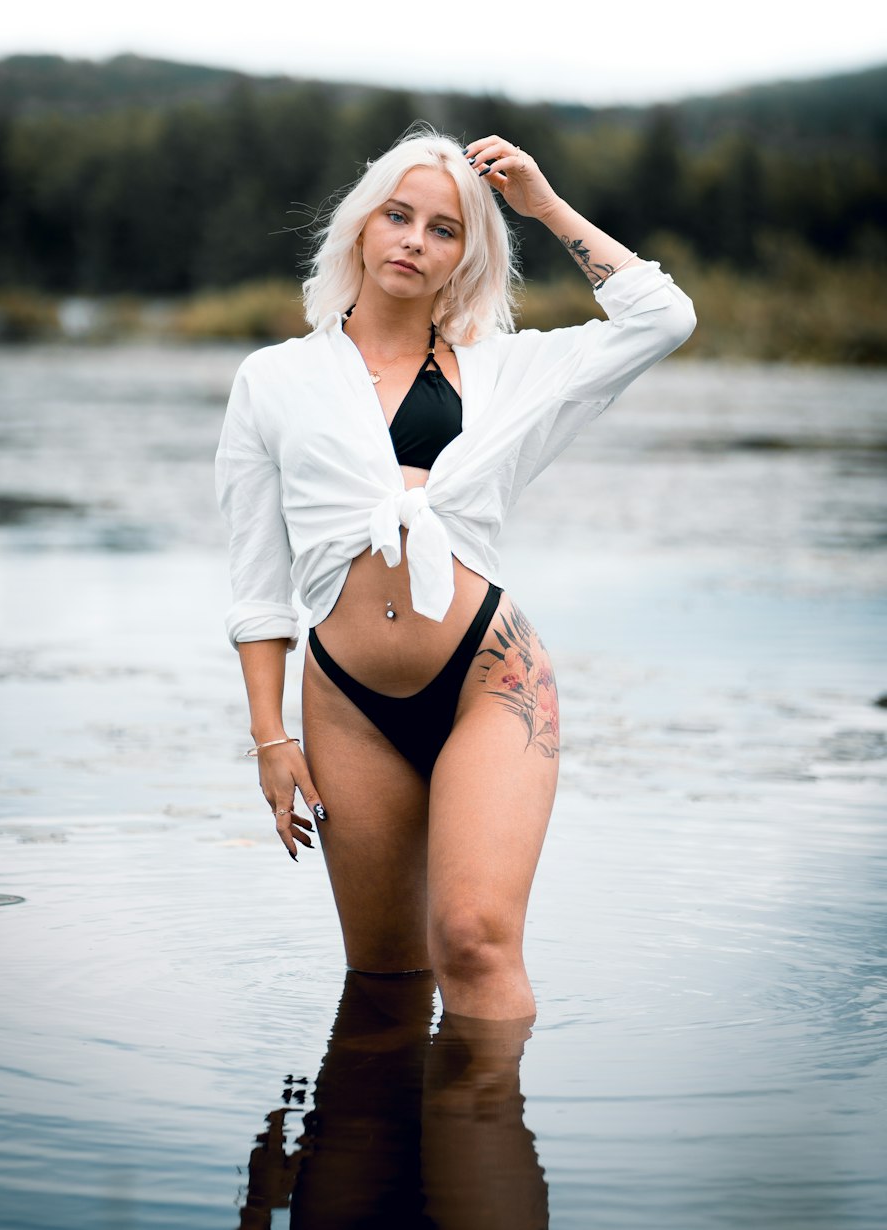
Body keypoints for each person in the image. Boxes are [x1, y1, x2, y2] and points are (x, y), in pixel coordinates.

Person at [215, 126, 696, 1021]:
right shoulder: (273, 380)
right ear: (361, 226)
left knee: (474, 940)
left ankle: (484, 1134)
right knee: (385, 983)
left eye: (444, 231)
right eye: (398, 216)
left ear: (463, 258)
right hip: (346, 704)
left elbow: (663, 318)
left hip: (489, 677)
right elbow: (257, 582)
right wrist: (269, 739)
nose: (414, 241)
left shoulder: (510, 370)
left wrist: (542, 205)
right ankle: (373, 1151)